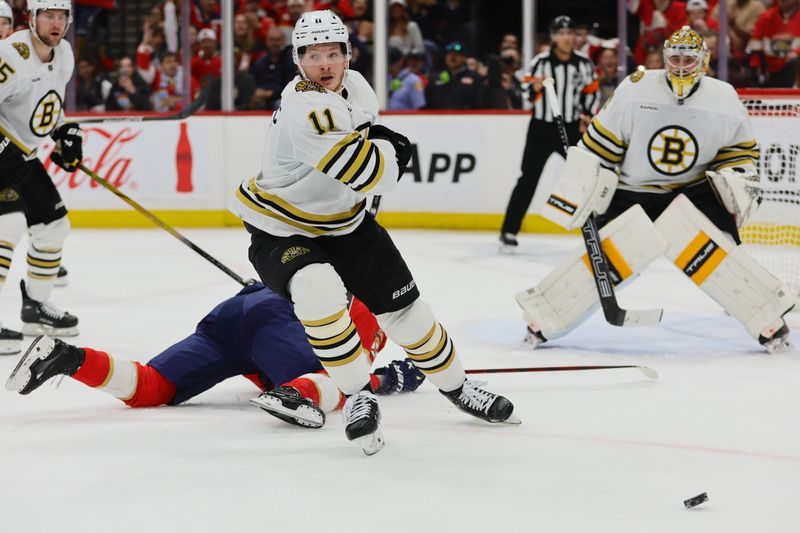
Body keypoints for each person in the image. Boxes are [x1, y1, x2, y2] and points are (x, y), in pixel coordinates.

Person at [230, 10, 518, 455]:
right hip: (282, 226)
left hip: (346, 221)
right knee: (318, 290)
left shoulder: (358, 87)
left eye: (332, 53)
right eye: (312, 56)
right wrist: (390, 150)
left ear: (347, 54)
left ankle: (458, 388)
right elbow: (365, 171)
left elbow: (362, 160)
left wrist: (379, 148)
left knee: (408, 314)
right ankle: (358, 395)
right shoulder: (304, 104)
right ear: (297, 61)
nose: (323, 65)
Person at [519, 27, 793, 354]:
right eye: (674, 58)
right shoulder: (636, 89)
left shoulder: (723, 97)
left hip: (691, 190)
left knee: (722, 253)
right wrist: (585, 186)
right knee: (605, 259)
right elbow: (600, 148)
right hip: (632, 189)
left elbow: (738, 152)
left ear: (703, 61)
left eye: (688, 59)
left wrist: (736, 176)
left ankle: (768, 322)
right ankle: (544, 319)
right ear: (664, 58)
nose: (680, 66)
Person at [7, 283, 425, 428]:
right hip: (275, 321)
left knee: (153, 386)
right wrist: (391, 380)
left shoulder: (329, 276)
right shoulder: (373, 314)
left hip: (235, 314)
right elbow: (349, 377)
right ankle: (296, 396)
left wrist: (261, 291)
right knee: (336, 382)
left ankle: (70, 359)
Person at [0, 0, 84, 355]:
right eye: (48, 15)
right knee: (9, 226)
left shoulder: (63, 53)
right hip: (5, 149)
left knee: (54, 225)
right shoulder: (11, 55)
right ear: (31, 19)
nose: (56, 23)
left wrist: (65, 131)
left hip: (24, 154)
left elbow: (49, 104)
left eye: (61, 16)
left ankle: (35, 307)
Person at [498, 15, 599, 251]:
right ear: (554, 36)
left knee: (585, 178)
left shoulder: (583, 64)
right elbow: (523, 91)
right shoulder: (540, 62)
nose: (566, 38)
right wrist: (534, 88)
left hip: (572, 128)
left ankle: (596, 228)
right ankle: (509, 230)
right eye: (561, 33)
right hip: (541, 128)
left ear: (575, 36)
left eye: (570, 33)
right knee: (528, 179)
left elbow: (591, 91)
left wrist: (586, 114)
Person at [424, 41, 482, 109]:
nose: (452, 58)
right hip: (440, 117)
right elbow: (427, 102)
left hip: (466, 117)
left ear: (464, 57)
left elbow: (480, 102)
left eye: (456, 55)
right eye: (449, 54)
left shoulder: (475, 77)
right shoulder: (435, 77)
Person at [388, 46, 425, 110]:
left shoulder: (414, 81)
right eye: (388, 63)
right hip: (384, 118)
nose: (390, 66)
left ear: (400, 61)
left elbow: (419, 108)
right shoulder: (384, 78)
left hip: (405, 119)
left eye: (392, 63)